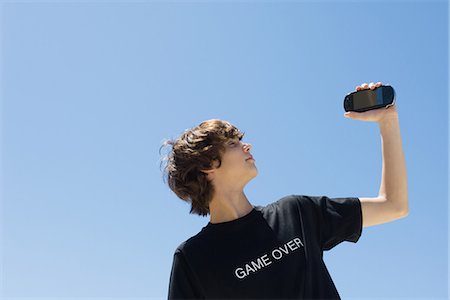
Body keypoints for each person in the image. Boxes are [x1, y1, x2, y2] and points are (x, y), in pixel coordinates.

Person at [159, 81, 409, 299]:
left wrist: (388, 121)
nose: (247, 146)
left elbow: (394, 205)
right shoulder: (193, 259)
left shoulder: (297, 212)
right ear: (207, 165)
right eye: (234, 143)